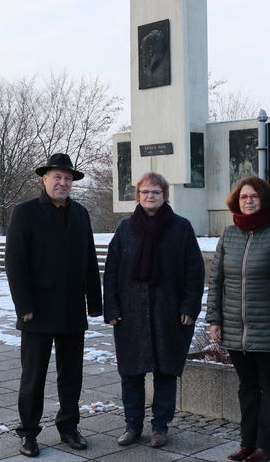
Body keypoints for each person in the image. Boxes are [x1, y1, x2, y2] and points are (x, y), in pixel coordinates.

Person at [5, 153, 102, 458]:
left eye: (68, 178)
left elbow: (88, 259)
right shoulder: (25, 212)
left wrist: (95, 303)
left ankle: (69, 427)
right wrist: (24, 305)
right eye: (57, 177)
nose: (62, 182)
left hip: (72, 308)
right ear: (44, 179)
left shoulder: (81, 214)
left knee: (71, 374)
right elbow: (15, 262)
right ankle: (29, 433)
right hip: (37, 310)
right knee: (33, 375)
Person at [103, 172, 205, 449]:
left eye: (156, 192)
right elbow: (111, 270)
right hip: (130, 314)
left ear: (165, 196)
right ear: (138, 196)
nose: (150, 197)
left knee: (165, 373)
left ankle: (160, 427)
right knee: (131, 374)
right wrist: (110, 306)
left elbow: (194, 271)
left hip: (168, 313)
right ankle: (132, 426)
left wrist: (189, 306)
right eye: (145, 192)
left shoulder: (181, 228)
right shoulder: (125, 229)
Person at [206, 177, 270, 462]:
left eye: (254, 196)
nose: (248, 200)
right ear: (237, 200)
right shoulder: (229, 234)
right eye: (244, 196)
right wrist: (215, 319)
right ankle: (248, 443)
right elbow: (217, 279)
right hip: (235, 326)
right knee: (246, 387)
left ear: (264, 200)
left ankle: (266, 447)